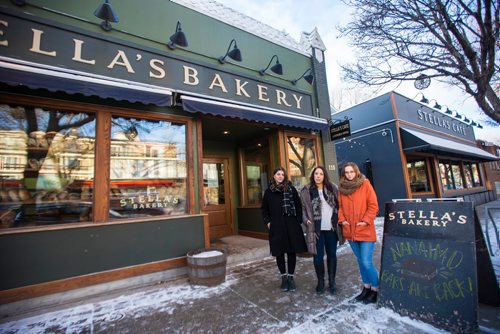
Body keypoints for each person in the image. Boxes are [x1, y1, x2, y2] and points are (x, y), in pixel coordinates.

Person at [338, 162, 379, 304]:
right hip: (350, 231)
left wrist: (365, 221)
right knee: (361, 261)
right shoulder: (342, 188)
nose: (349, 175)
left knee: (367, 262)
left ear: (356, 172)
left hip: (365, 230)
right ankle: (366, 288)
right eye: (346, 172)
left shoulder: (365, 184)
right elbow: (340, 208)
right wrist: (342, 220)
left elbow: (373, 206)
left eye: (351, 172)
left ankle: (376, 289)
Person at [262, 167, 307, 292]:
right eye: (278, 174)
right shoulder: (268, 192)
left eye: (282, 174)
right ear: (274, 176)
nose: (280, 176)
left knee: (291, 251)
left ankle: (291, 278)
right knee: (279, 252)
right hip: (276, 225)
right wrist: (268, 222)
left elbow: (298, 206)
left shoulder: (291, 189)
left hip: (291, 224)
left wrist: (297, 220)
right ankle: (283, 278)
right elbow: (264, 210)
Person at [301, 166, 345, 295]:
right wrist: (305, 220)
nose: (318, 176)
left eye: (321, 174)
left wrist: (339, 219)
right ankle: (320, 282)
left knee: (332, 255)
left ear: (324, 175)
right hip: (316, 229)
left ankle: (332, 282)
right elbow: (303, 209)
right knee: (317, 257)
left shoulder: (333, 188)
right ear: (313, 175)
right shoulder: (306, 190)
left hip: (331, 228)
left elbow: (340, 205)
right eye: (316, 174)